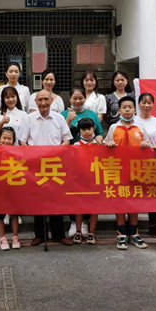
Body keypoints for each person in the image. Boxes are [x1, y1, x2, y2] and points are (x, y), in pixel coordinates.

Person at [24, 90, 73, 246]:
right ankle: (40, 235)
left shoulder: (59, 118)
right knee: (37, 201)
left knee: (56, 200)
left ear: (51, 101)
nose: (43, 102)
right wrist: (32, 155)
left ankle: (59, 234)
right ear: (35, 102)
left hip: (54, 165)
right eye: (40, 100)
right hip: (35, 165)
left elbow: (67, 140)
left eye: (46, 99)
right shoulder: (29, 118)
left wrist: (56, 152)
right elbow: (22, 141)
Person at [104, 96, 150, 251]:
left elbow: (149, 146)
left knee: (134, 202)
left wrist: (146, 144)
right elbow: (104, 146)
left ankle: (134, 232)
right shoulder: (113, 128)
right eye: (124, 107)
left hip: (136, 171)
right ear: (119, 110)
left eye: (130, 107)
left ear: (135, 110)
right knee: (120, 202)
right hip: (118, 171)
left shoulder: (140, 128)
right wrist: (108, 144)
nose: (127, 110)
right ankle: (121, 233)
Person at [61, 86, 104, 238]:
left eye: (80, 98)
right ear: (70, 99)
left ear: (85, 98)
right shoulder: (63, 114)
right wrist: (68, 120)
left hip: (91, 164)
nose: (78, 101)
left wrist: (99, 140)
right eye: (75, 98)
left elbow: (99, 133)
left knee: (90, 195)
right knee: (74, 194)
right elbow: (59, 134)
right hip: (72, 161)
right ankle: (75, 222)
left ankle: (86, 224)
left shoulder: (91, 114)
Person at [133, 92, 156, 237]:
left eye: (149, 102)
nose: (146, 105)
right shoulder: (133, 120)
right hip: (135, 162)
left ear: (153, 104)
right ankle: (133, 225)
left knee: (153, 193)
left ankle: (152, 224)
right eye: (143, 102)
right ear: (138, 104)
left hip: (153, 162)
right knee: (134, 193)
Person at [71, 118, 99, 244]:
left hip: (96, 180)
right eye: (84, 129)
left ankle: (92, 232)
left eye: (89, 128)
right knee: (79, 207)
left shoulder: (99, 145)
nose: (87, 132)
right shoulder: (76, 146)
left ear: (94, 128)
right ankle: (78, 231)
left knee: (95, 207)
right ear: (79, 131)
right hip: (80, 181)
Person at [0, 127, 22, 250]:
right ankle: (3, 238)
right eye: (4, 138)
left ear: (13, 141)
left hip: (14, 186)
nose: (6, 141)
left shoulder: (17, 152)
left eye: (9, 139)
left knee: (14, 213)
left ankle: (15, 237)